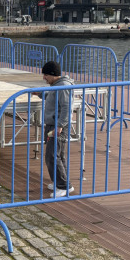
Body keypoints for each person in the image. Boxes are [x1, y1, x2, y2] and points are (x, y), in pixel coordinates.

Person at [40, 61, 74, 198]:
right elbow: (51, 98)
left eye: (46, 75)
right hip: (53, 123)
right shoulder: (56, 86)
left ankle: (64, 186)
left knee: (52, 156)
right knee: (58, 155)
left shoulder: (63, 87)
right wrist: (39, 94)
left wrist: (60, 126)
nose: (44, 78)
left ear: (53, 75)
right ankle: (61, 182)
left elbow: (67, 108)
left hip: (57, 125)